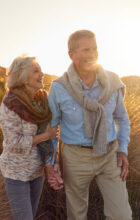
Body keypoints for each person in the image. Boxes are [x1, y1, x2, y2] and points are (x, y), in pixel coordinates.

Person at [48, 30, 132, 220]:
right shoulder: (59, 87)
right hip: (75, 158)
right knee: (77, 214)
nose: (92, 54)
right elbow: (52, 129)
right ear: (71, 54)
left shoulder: (112, 81)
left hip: (109, 155)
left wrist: (123, 149)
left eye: (94, 49)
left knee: (122, 214)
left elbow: (122, 118)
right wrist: (52, 163)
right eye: (86, 50)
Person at [0, 55, 60, 220]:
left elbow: (53, 136)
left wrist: (52, 165)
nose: (42, 74)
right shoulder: (10, 104)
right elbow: (13, 143)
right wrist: (44, 135)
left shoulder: (43, 99)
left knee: (30, 215)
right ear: (23, 77)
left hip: (36, 171)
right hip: (16, 172)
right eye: (36, 71)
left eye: (41, 70)